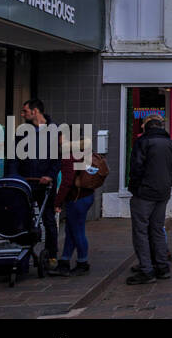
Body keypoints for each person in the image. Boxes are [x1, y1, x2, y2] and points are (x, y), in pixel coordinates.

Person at [5, 98, 64, 274]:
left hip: (44, 183)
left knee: (48, 220)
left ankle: (52, 255)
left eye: (25, 111)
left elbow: (58, 159)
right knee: (23, 218)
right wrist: (13, 178)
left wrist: (50, 176)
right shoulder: (22, 133)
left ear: (35, 111)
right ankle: (23, 252)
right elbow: (14, 156)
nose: (22, 114)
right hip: (25, 183)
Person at [126, 113, 172, 285]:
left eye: (143, 125)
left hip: (144, 194)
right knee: (157, 229)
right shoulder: (170, 143)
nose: (141, 127)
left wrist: (136, 188)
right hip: (163, 192)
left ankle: (146, 269)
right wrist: (167, 184)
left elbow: (136, 169)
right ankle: (162, 266)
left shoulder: (143, 142)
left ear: (148, 125)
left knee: (140, 231)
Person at [55, 136, 101, 276]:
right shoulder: (83, 154)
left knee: (77, 231)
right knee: (72, 229)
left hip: (77, 198)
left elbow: (67, 182)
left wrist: (57, 202)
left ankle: (83, 262)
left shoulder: (70, 157)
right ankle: (65, 260)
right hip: (86, 196)